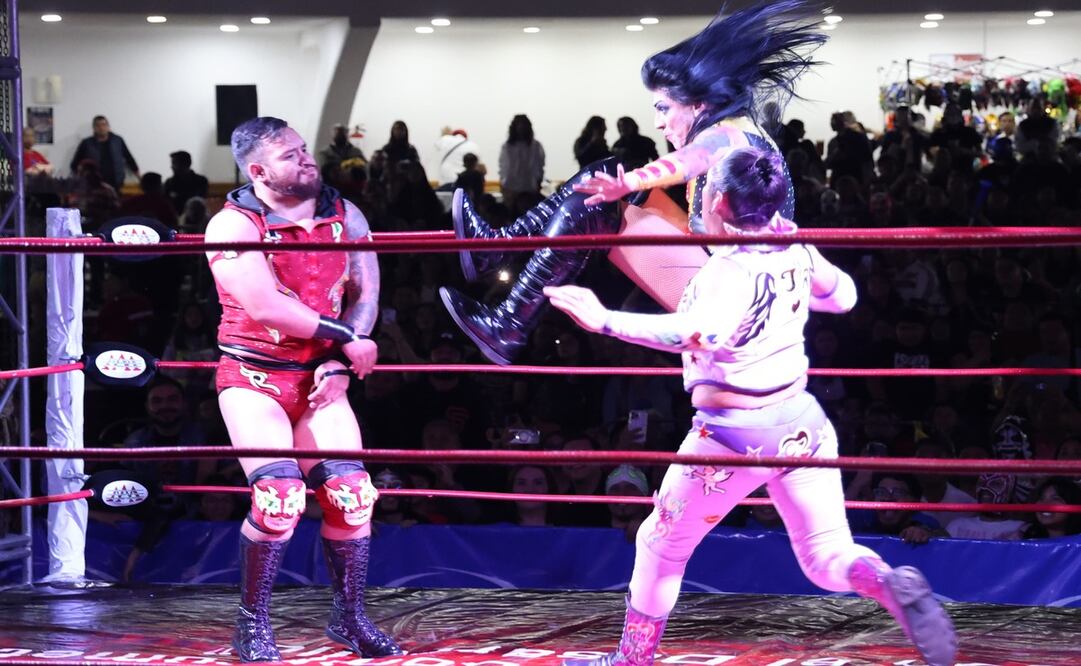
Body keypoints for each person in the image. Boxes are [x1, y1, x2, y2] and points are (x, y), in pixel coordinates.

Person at [545, 146, 956, 666]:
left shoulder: (729, 273)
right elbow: (845, 297)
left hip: (731, 436)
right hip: (801, 425)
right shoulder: (794, 248)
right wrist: (802, 264)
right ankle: (886, 581)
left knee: (659, 544)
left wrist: (605, 320)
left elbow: (697, 333)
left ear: (716, 199)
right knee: (825, 555)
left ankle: (631, 660)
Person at [442, 1, 823, 364]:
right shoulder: (739, 127)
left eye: (663, 109)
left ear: (698, 105)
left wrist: (633, 182)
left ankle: (509, 321)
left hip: (726, 296)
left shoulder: (727, 137)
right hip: (719, 265)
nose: (657, 123)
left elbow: (691, 159)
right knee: (604, 172)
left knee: (599, 204)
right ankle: (497, 250)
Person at [203, 116, 401, 662]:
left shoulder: (345, 213)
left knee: (353, 496)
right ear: (259, 170)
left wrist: (341, 356)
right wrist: (345, 340)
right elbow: (267, 306)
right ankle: (251, 622)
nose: (307, 159)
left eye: (304, 149)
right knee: (279, 498)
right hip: (255, 376)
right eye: (290, 156)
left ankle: (350, 616)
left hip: (321, 376)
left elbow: (366, 291)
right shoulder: (232, 225)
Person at [70, 115, 139, 192]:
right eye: (98, 125)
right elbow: (75, 164)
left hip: (116, 183)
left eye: (104, 125)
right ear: (94, 128)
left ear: (108, 126)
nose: (101, 128)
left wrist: (139, 176)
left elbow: (129, 158)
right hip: (93, 185)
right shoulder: (87, 143)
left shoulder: (118, 140)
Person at [498, 114, 546, 209]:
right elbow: (504, 168)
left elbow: (539, 167)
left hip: (529, 189)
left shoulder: (536, 146)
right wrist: (504, 186)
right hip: (511, 189)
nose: (521, 129)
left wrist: (537, 183)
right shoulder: (507, 147)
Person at [164, 150, 210, 215]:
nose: (171, 167)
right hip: (173, 218)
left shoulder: (200, 181)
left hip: (196, 218)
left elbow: (198, 201)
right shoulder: (169, 183)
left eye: (174, 163)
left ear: (187, 163)